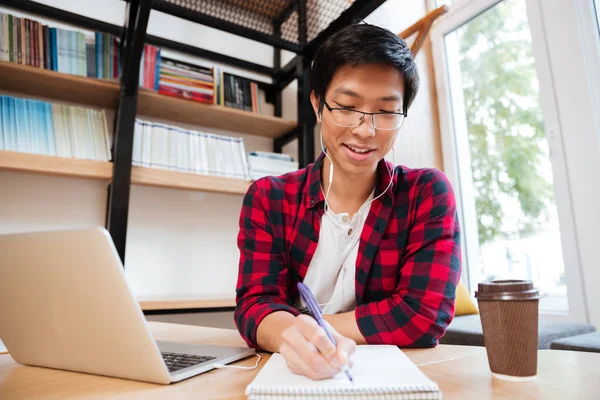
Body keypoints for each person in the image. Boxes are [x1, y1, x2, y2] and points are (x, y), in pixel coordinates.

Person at [234, 23, 461, 380]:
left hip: (389, 377)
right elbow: (254, 304)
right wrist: (290, 336)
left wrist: (305, 325)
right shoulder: (269, 197)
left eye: (386, 112)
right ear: (317, 104)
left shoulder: (425, 194)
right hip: (288, 375)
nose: (365, 130)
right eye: (346, 106)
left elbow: (423, 314)